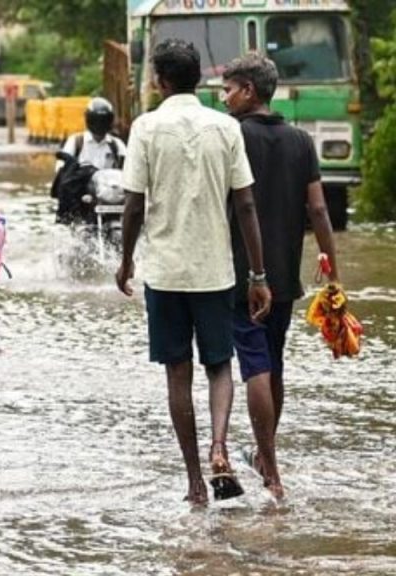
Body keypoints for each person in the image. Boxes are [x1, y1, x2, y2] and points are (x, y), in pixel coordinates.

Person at [115, 40, 272, 506]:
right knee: (220, 365)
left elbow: (133, 205)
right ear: (197, 78)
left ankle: (194, 483)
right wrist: (258, 274)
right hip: (215, 271)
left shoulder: (145, 128)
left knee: (177, 374)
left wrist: (125, 260)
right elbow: (244, 203)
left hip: (165, 272)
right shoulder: (225, 127)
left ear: (159, 81)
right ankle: (219, 447)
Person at [220, 53, 339, 500]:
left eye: (229, 89)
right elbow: (320, 210)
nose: (224, 97)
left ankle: (270, 469)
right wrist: (333, 274)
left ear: (250, 90)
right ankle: (265, 453)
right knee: (274, 364)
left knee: (254, 367)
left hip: (241, 274)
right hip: (286, 275)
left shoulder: (231, 136)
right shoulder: (300, 141)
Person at [61, 97, 126, 170]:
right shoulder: (76, 142)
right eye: (96, 120)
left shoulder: (117, 145)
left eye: (103, 120)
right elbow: (61, 169)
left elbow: (128, 169)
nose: (99, 124)